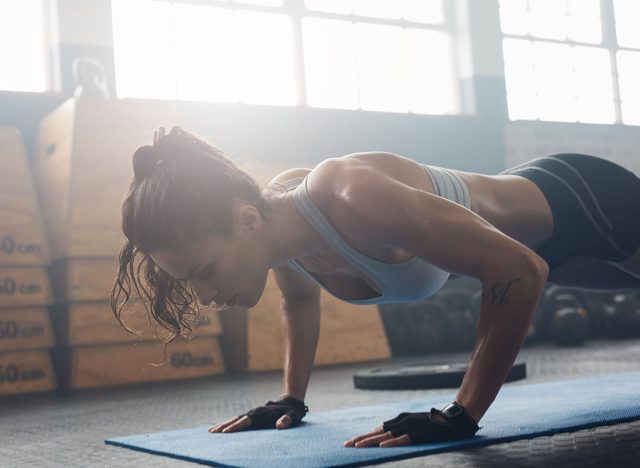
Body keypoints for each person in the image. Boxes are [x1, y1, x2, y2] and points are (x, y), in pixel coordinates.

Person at [111, 126, 640, 448]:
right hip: (545, 245)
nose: (204, 299)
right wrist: (290, 399)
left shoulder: (347, 196)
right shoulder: (279, 237)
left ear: (246, 220)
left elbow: (519, 272)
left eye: (203, 273)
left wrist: (461, 414)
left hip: (585, 202)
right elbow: (298, 302)